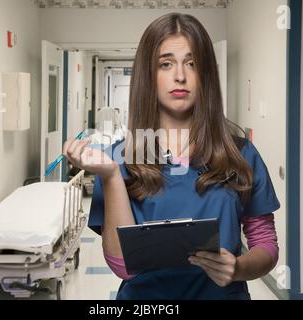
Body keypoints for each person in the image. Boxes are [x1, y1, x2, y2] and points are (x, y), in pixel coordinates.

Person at [62, 13, 280, 300]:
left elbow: (265, 244)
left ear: (206, 75)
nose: (180, 75)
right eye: (166, 64)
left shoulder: (240, 154)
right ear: (148, 75)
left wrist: (238, 268)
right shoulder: (118, 159)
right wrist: (112, 176)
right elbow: (124, 268)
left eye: (192, 63)